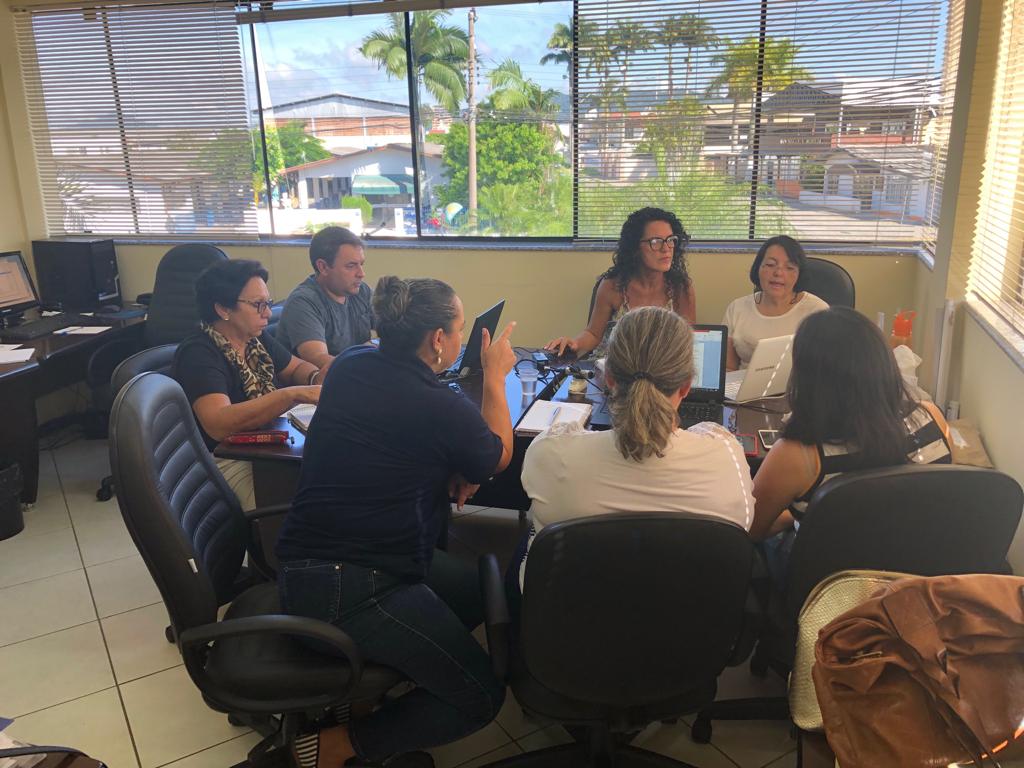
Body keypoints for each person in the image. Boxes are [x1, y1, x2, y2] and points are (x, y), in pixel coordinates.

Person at [275, 276, 515, 768]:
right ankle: (333, 748)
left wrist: (448, 464)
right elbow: (496, 457)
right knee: (482, 697)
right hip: (351, 587)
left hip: (314, 561)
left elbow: (389, 433)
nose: (461, 338)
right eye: (460, 329)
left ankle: (367, 692)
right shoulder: (439, 406)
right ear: (437, 340)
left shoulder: (351, 365)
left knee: (481, 596)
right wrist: (493, 378)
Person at [522, 306, 754, 587]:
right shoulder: (726, 460)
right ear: (685, 386)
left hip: (565, 624)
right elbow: (744, 523)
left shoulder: (551, 453)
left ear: (608, 379)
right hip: (686, 627)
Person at [749, 307, 952, 544]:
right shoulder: (931, 417)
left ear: (809, 378)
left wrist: (800, 513)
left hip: (837, 578)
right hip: (916, 571)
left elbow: (751, 529)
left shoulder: (798, 455)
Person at [171, 259, 322, 510]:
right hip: (227, 461)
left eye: (268, 303)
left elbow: (295, 367)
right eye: (258, 305)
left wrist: (316, 377)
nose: (268, 313)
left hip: (269, 448)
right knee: (309, 507)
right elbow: (219, 424)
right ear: (223, 309)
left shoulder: (255, 340)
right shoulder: (199, 353)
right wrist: (290, 395)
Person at [545, 207, 696, 359]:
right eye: (655, 242)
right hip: (611, 369)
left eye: (670, 240)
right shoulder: (612, 286)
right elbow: (593, 334)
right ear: (635, 248)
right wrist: (575, 343)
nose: (666, 249)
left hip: (659, 371)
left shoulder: (681, 288)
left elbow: (688, 341)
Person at [723, 235, 828, 371]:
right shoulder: (737, 308)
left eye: (789, 267)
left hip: (798, 389)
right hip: (742, 389)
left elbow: (825, 370)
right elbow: (728, 368)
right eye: (771, 265)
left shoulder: (818, 312)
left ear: (799, 274)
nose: (778, 272)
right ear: (758, 268)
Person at [276, 226, 374, 369]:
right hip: (319, 386)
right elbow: (318, 359)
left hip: (353, 376)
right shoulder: (303, 302)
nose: (361, 273)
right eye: (351, 266)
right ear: (323, 267)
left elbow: (395, 328)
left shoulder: (361, 291)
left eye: (361, 264)